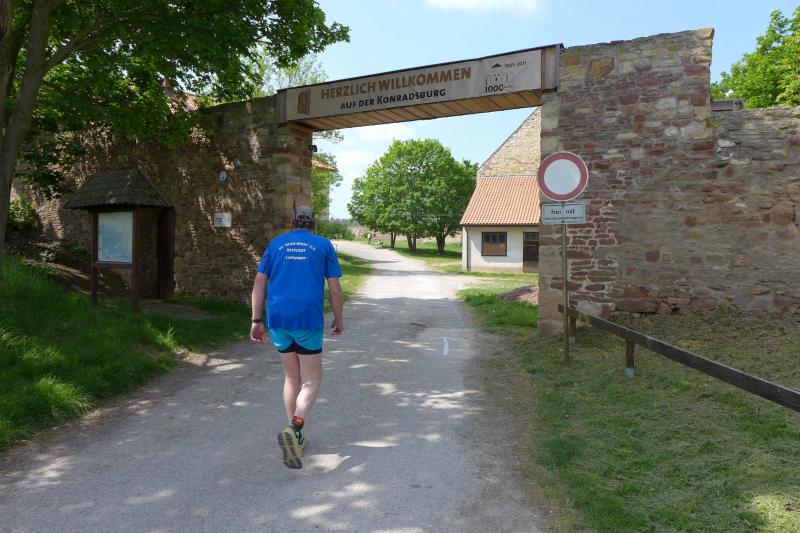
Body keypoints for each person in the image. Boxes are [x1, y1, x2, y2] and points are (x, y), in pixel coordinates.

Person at [250, 205, 344, 469]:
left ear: (292, 222)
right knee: (311, 379)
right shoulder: (323, 245)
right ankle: (295, 428)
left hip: (277, 317)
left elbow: (259, 282)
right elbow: (335, 288)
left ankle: (296, 437)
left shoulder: (276, 244)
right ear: (314, 223)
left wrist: (256, 320)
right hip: (307, 318)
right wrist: (338, 318)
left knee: (292, 377)